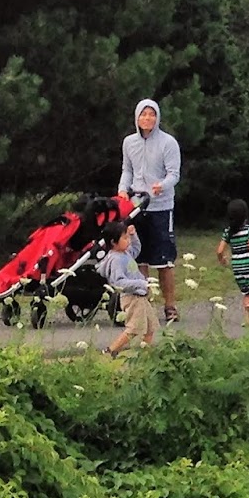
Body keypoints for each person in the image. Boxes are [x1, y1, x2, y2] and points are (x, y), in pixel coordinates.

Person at [118, 98, 182, 324]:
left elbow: (174, 174)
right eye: (143, 114)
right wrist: (123, 190)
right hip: (137, 206)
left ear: (157, 117)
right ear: (137, 118)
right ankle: (144, 305)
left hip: (161, 206)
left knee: (164, 260)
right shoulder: (129, 142)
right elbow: (127, 170)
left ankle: (170, 306)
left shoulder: (168, 143)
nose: (147, 118)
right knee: (139, 258)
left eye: (151, 114)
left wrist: (161, 185)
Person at [97, 221, 154, 359]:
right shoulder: (116, 259)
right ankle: (111, 350)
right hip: (132, 297)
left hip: (140, 295)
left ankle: (145, 355)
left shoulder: (125, 253)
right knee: (134, 328)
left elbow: (136, 249)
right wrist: (140, 283)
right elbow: (119, 282)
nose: (128, 241)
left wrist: (133, 235)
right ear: (113, 242)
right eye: (124, 238)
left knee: (150, 327)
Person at [217, 199, 249, 325]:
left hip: (237, 266)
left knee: (247, 292)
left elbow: (219, 251)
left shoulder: (228, 232)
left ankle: (247, 320)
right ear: (246, 214)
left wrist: (222, 259)